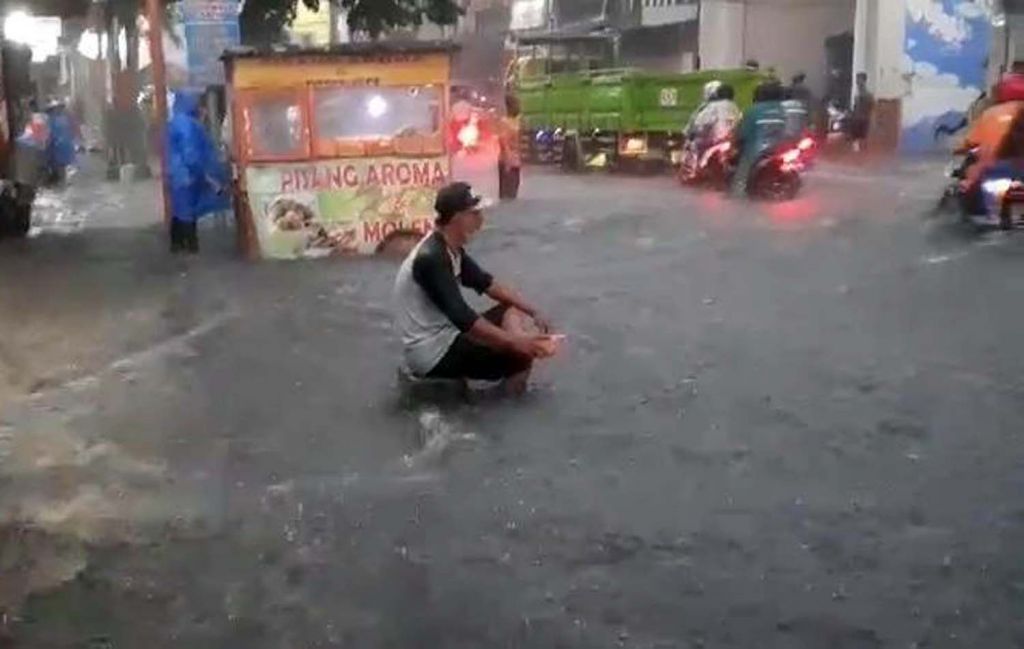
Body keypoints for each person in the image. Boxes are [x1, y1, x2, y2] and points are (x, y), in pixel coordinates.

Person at [393, 182, 556, 394]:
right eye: (474, 214)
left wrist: (533, 311)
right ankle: (507, 406)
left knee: (511, 308)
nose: (480, 221)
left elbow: (486, 283)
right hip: (432, 354)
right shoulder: (431, 258)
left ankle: (504, 359)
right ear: (455, 218)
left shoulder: (451, 249)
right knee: (522, 357)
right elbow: (464, 318)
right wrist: (517, 343)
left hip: (447, 335)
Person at [165, 90, 229, 253]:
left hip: (177, 173)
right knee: (188, 211)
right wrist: (206, 174)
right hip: (188, 174)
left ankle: (177, 244)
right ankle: (190, 245)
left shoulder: (175, 122)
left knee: (179, 209)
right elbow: (191, 153)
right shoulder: (188, 125)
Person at [732, 80, 787, 195]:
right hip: (780, 148)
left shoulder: (753, 110)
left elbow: (742, 133)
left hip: (756, 150)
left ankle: (738, 192)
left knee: (740, 176)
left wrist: (736, 142)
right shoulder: (783, 109)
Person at [44, 101, 76, 184]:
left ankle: (60, 182)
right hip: (64, 145)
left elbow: (50, 134)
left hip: (57, 146)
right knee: (62, 167)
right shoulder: (63, 119)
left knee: (58, 166)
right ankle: (62, 182)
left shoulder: (52, 120)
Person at [498, 94, 523, 200]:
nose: (520, 107)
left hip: (514, 159)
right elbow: (503, 142)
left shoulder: (516, 121)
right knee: (508, 193)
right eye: (517, 104)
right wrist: (508, 161)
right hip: (507, 160)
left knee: (514, 190)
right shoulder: (505, 122)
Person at [849, 72, 874, 152]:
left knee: (862, 137)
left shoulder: (867, 94)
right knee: (856, 137)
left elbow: (871, 106)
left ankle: (862, 152)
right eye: (857, 79)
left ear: (864, 81)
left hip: (863, 118)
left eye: (859, 79)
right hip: (858, 118)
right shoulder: (857, 93)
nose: (857, 82)